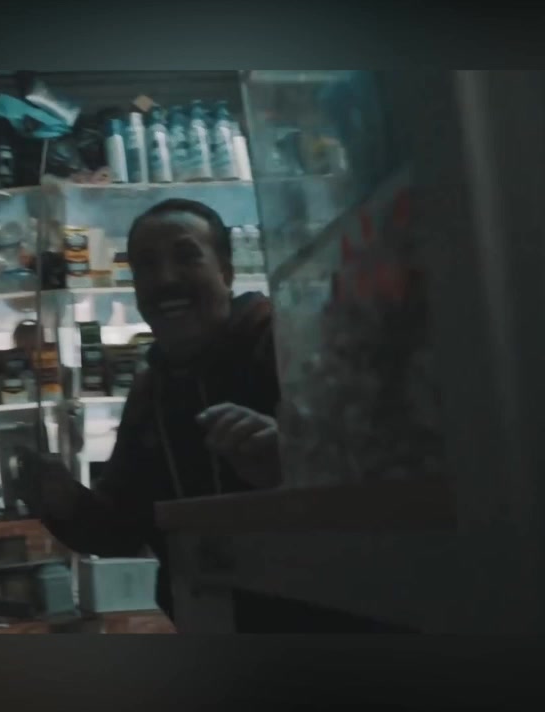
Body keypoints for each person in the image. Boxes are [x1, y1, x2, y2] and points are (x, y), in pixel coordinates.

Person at [22, 198, 401, 632]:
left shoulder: (292, 348)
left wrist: (295, 463)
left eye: (187, 257)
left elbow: (389, 473)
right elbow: (122, 528)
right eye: (146, 266)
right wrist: (64, 503)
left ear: (227, 271)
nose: (165, 279)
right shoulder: (150, 392)